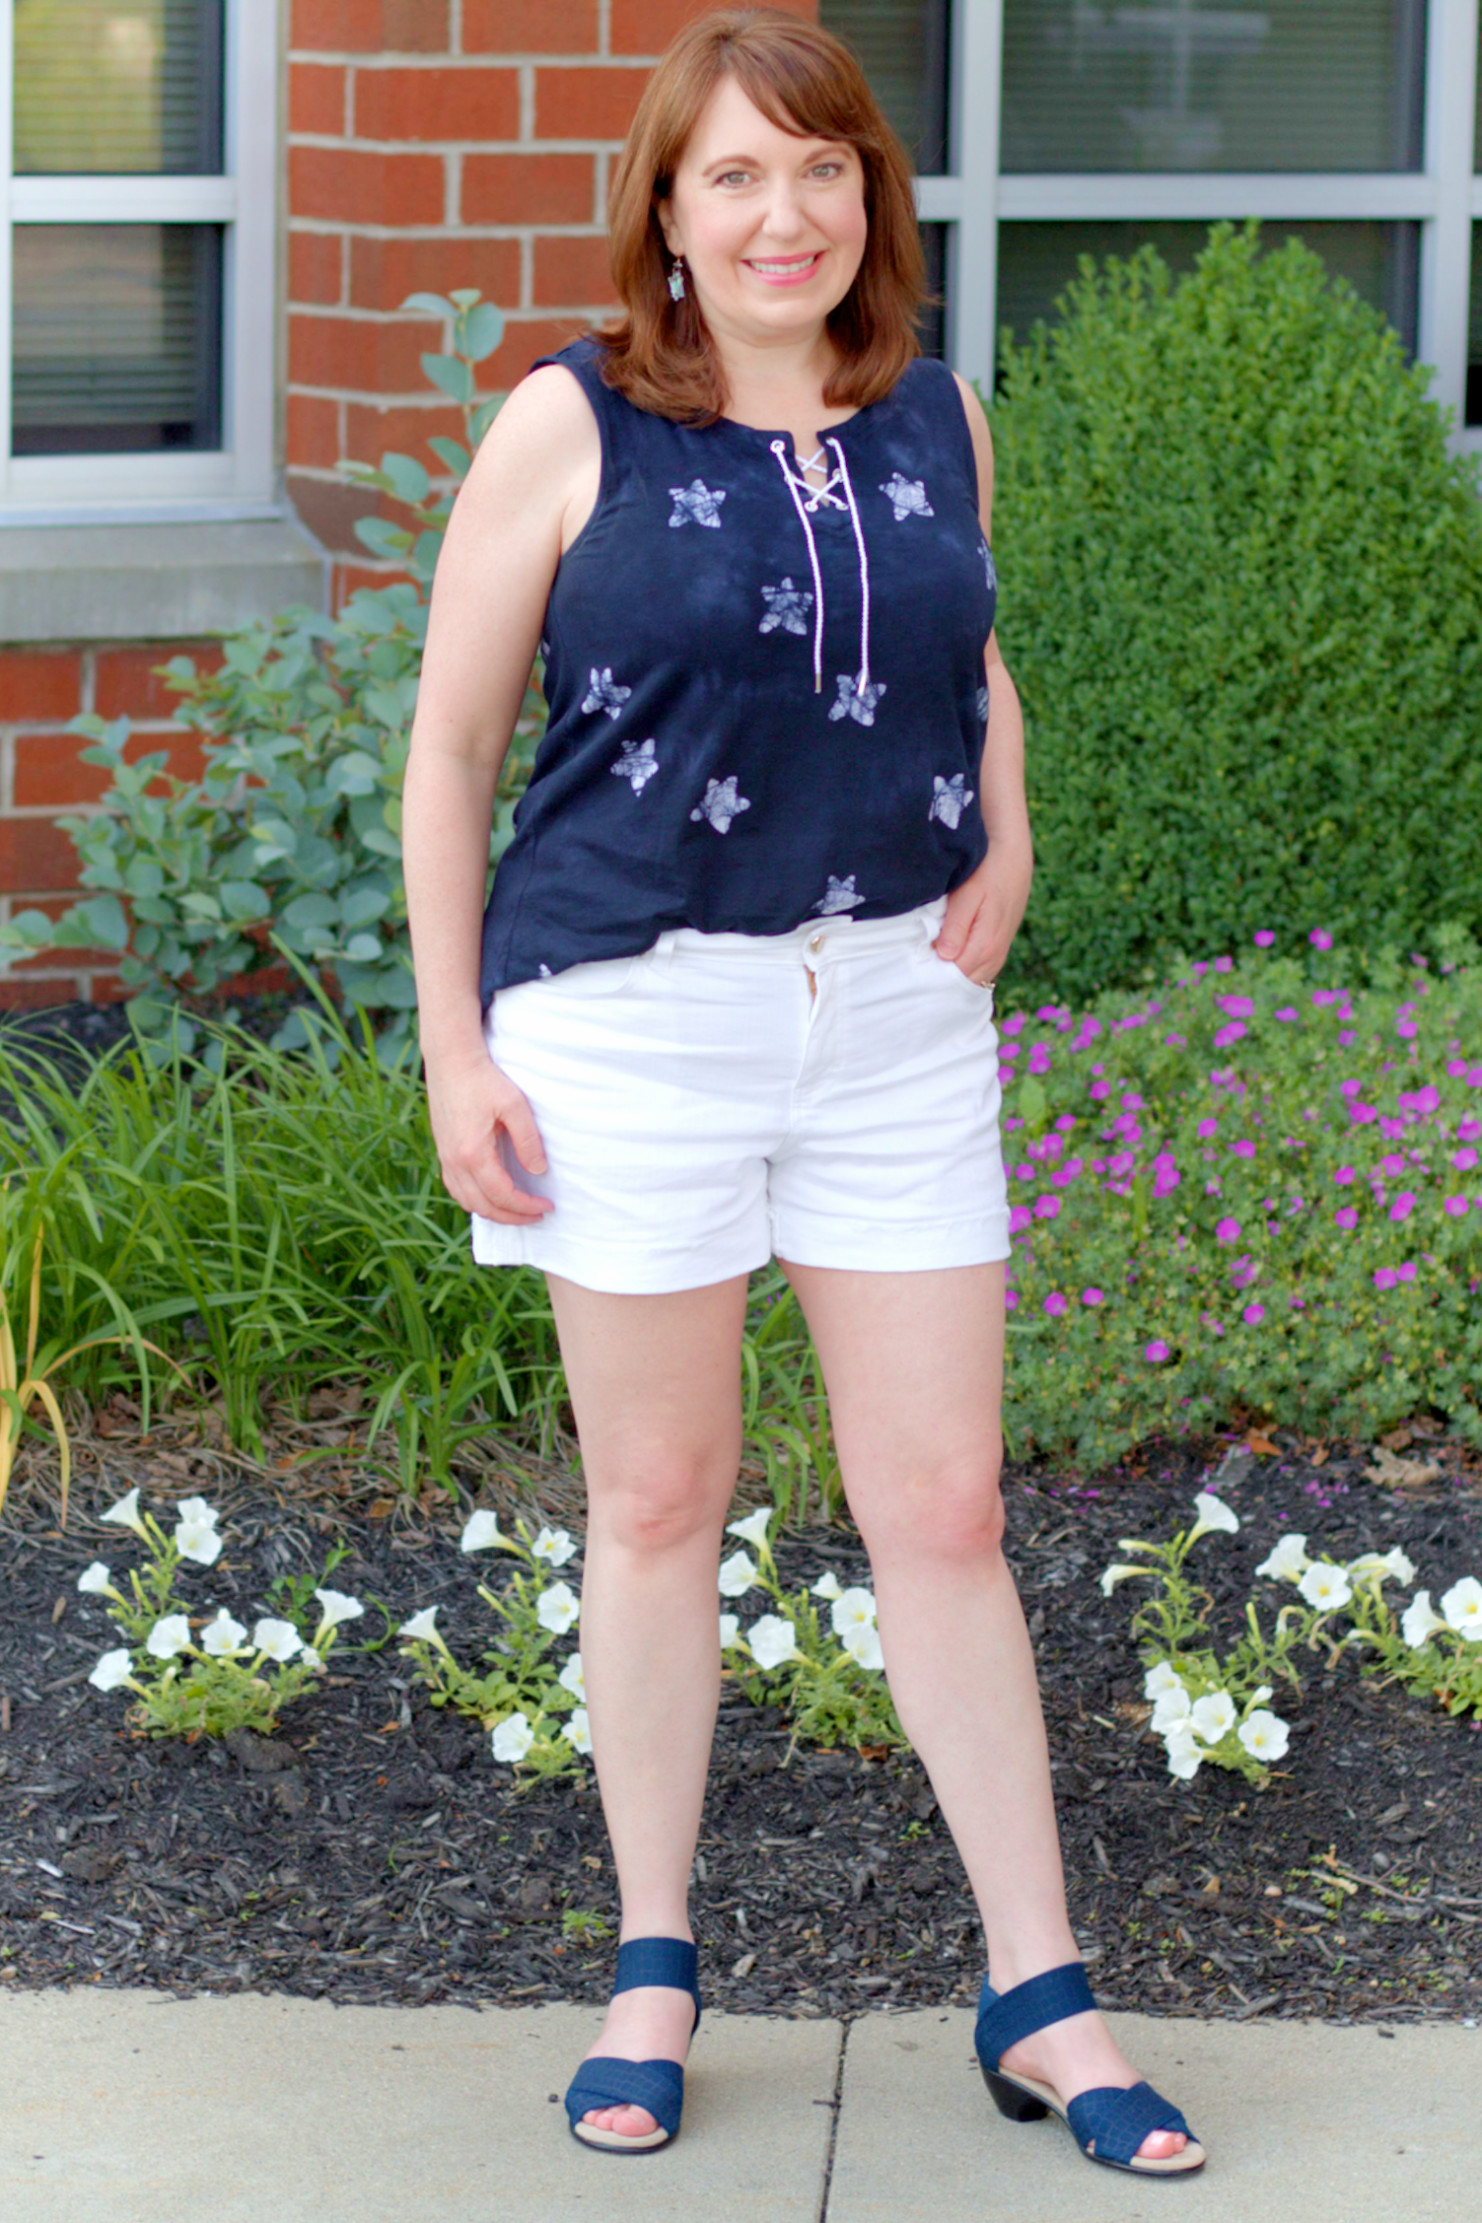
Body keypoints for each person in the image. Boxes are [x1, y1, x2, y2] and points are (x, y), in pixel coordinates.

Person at [401, 5, 1203, 2179]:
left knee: (942, 1509)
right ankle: (653, 1956)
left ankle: (1038, 1986)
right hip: (631, 1018)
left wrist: (1010, 822)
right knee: (660, 1501)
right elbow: (456, 745)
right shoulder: (570, 426)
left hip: (895, 1022)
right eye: (736, 175)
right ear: (667, 209)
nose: (786, 213)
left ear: (874, 195)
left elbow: (962, 645)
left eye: (823, 168)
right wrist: (455, 1036)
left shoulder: (936, 412)